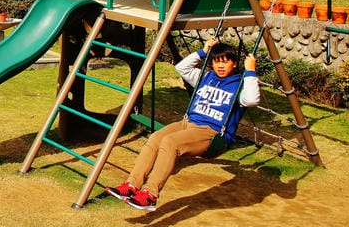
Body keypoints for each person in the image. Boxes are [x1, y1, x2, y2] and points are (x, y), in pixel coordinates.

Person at [106, 38, 260, 212]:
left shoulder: (239, 85)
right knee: (156, 138)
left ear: (234, 63)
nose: (220, 66)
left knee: (170, 142)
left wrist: (250, 71)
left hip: (211, 131)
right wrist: (203, 52)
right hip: (187, 123)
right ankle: (131, 185)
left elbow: (252, 99)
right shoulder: (206, 77)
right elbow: (181, 68)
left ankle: (150, 194)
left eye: (226, 62)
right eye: (217, 61)